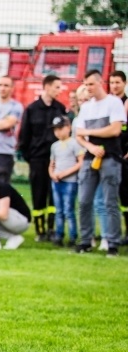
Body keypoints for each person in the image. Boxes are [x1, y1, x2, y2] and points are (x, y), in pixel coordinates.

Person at [74, 69, 127, 257]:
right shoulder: (86, 107)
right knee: (84, 201)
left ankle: (113, 243)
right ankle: (85, 240)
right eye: (85, 84)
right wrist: (91, 146)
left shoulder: (114, 103)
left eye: (91, 84)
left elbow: (115, 130)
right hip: (91, 157)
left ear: (100, 83)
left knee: (109, 201)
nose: (88, 88)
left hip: (110, 157)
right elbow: (79, 134)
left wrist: (89, 133)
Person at [18, 74, 66, 241]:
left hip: (57, 161)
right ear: (46, 87)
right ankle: (40, 231)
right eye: (57, 87)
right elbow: (24, 136)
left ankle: (52, 228)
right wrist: (30, 157)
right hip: (37, 159)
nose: (59, 91)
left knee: (54, 195)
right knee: (38, 194)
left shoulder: (60, 108)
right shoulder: (32, 109)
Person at [49, 115, 84, 247]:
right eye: (55, 129)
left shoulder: (75, 143)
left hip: (70, 181)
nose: (57, 132)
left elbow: (80, 162)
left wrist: (65, 173)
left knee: (69, 209)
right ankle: (59, 234)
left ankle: (73, 236)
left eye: (60, 128)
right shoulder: (54, 146)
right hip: (56, 181)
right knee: (59, 210)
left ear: (68, 128)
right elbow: (51, 164)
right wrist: (52, 174)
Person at [108, 70, 128, 243]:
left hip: (125, 158)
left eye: (117, 82)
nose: (114, 86)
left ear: (125, 84)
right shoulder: (107, 104)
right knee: (111, 197)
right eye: (112, 82)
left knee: (126, 195)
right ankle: (110, 233)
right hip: (110, 157)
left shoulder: (126, 103)